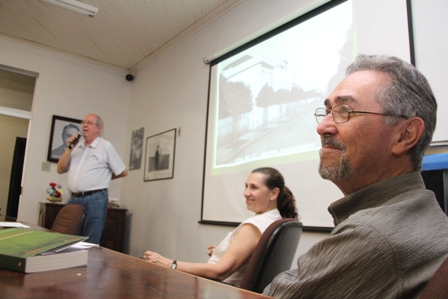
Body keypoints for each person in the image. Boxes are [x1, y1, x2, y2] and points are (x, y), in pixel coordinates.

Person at [263, 54, 448, 298]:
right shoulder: (422, 215)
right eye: (328, 111)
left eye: (345, 111)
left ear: (405, 135)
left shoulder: (373, 235)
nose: (322, 127)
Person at [143, 167, 298, 286]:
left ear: (274, 193)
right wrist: (223, 251)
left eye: (254, 187)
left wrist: (169, 263)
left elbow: (219, 273)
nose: (245, 193)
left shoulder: (254, 226)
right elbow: (254, 259)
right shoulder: (275, 219)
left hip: (219, 290)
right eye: (246, 186)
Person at [57, 113, 128, 244]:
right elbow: (60, 169)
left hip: (95, 200)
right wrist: (69, 148)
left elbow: (123, 172)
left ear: (99, 128)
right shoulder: (76, 146)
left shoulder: (105, 146)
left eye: (89, 123)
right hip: (74, 199)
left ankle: (86, 265)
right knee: (68, 239)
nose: (84, 125)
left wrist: (104, 177)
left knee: (90, 240)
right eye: (83, 122)